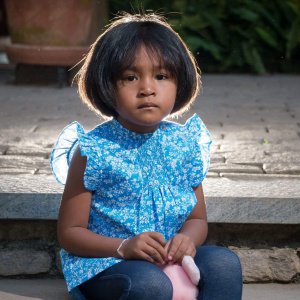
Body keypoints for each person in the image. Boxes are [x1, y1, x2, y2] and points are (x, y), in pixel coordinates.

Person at [50, 13, 243, 300]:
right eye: (130, 77)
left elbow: (197, 219)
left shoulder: (185, 143)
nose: (147, 89)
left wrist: (186, 241)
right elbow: (70, 233)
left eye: (162, 76)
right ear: (106, 85)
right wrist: (124, 246)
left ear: (180, 82)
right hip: (109, 263)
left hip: (171, 261)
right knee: (151, 286)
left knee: (225, 263)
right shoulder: (94, 150)